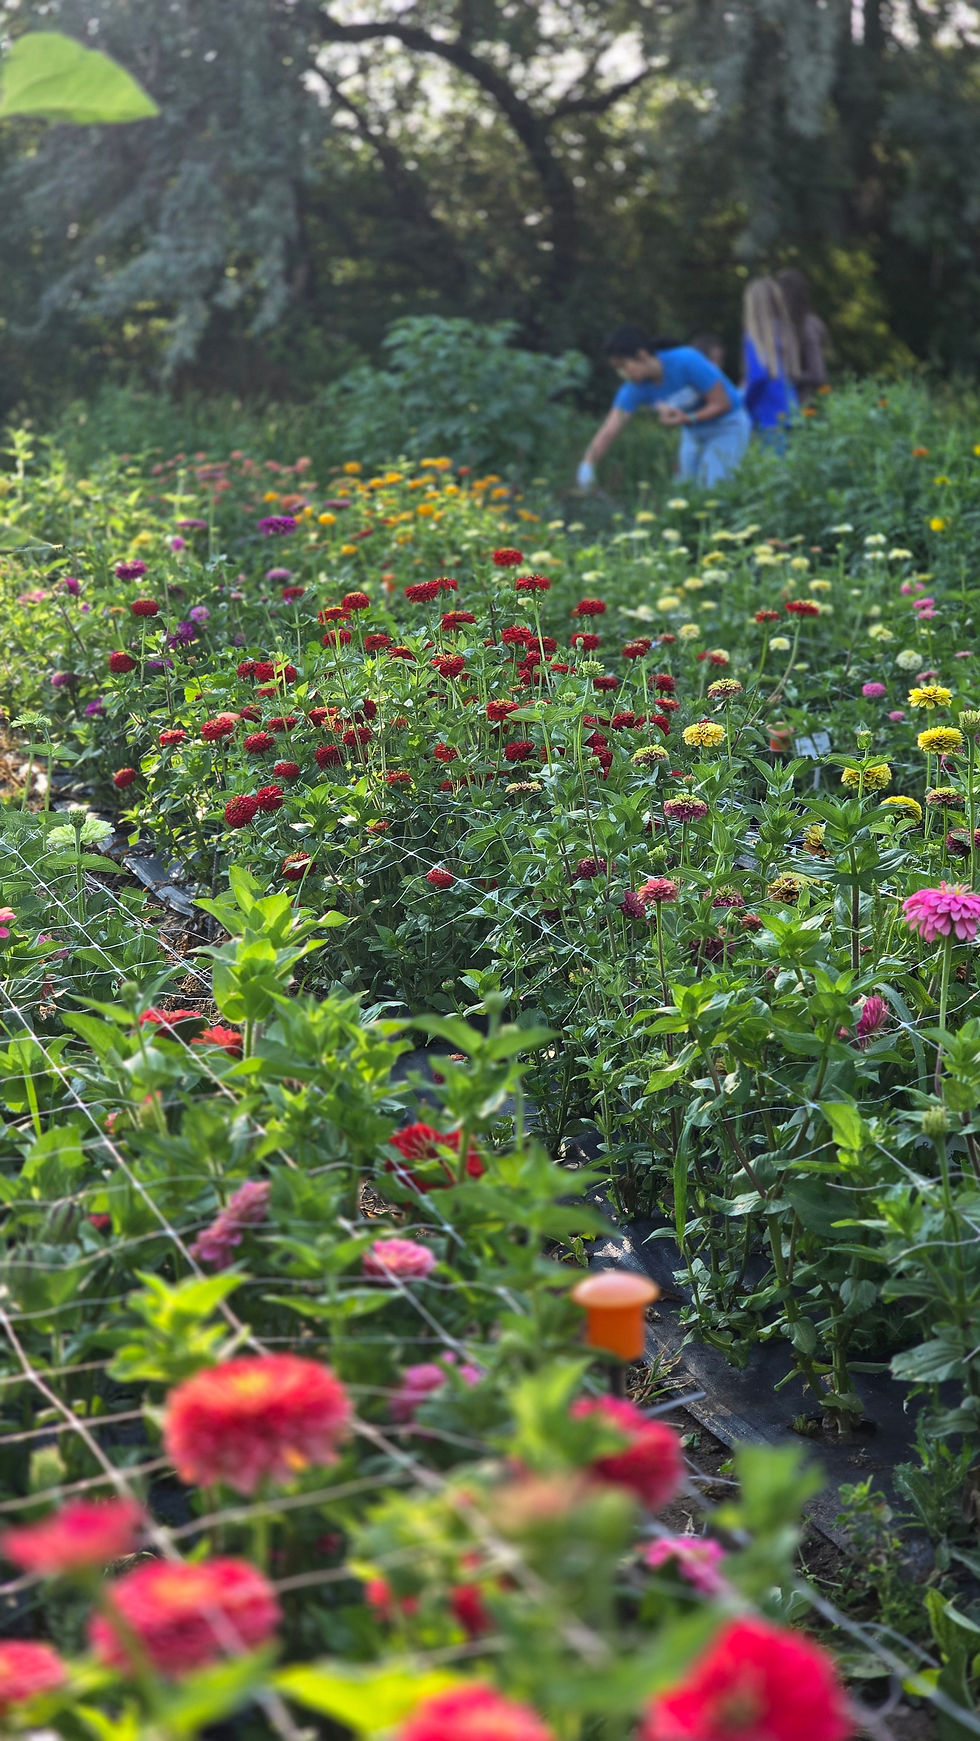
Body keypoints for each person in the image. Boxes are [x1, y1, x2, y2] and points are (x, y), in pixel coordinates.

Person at [576, 324, 751, 492]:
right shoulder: (635, 388)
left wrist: (687, 418)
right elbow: (610, 428)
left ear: (642, 355)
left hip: (727, 426)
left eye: (623, 365)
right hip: (693, 432)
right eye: (617, 369)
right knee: (684, 490)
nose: (622, 373)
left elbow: (722, 403)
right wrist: (588, 464)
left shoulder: (686, 360)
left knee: (713, 487)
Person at [741, 276, 799, 440]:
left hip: (767, 419)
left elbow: (758, 376)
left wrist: (744, 405)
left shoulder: (754, 337)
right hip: (792, 415)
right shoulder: (785, 332)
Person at [776, 267, 829, 402]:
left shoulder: (807, 326)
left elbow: (817, 374)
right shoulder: (783, 325)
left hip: (802, 403)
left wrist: (787, 376)